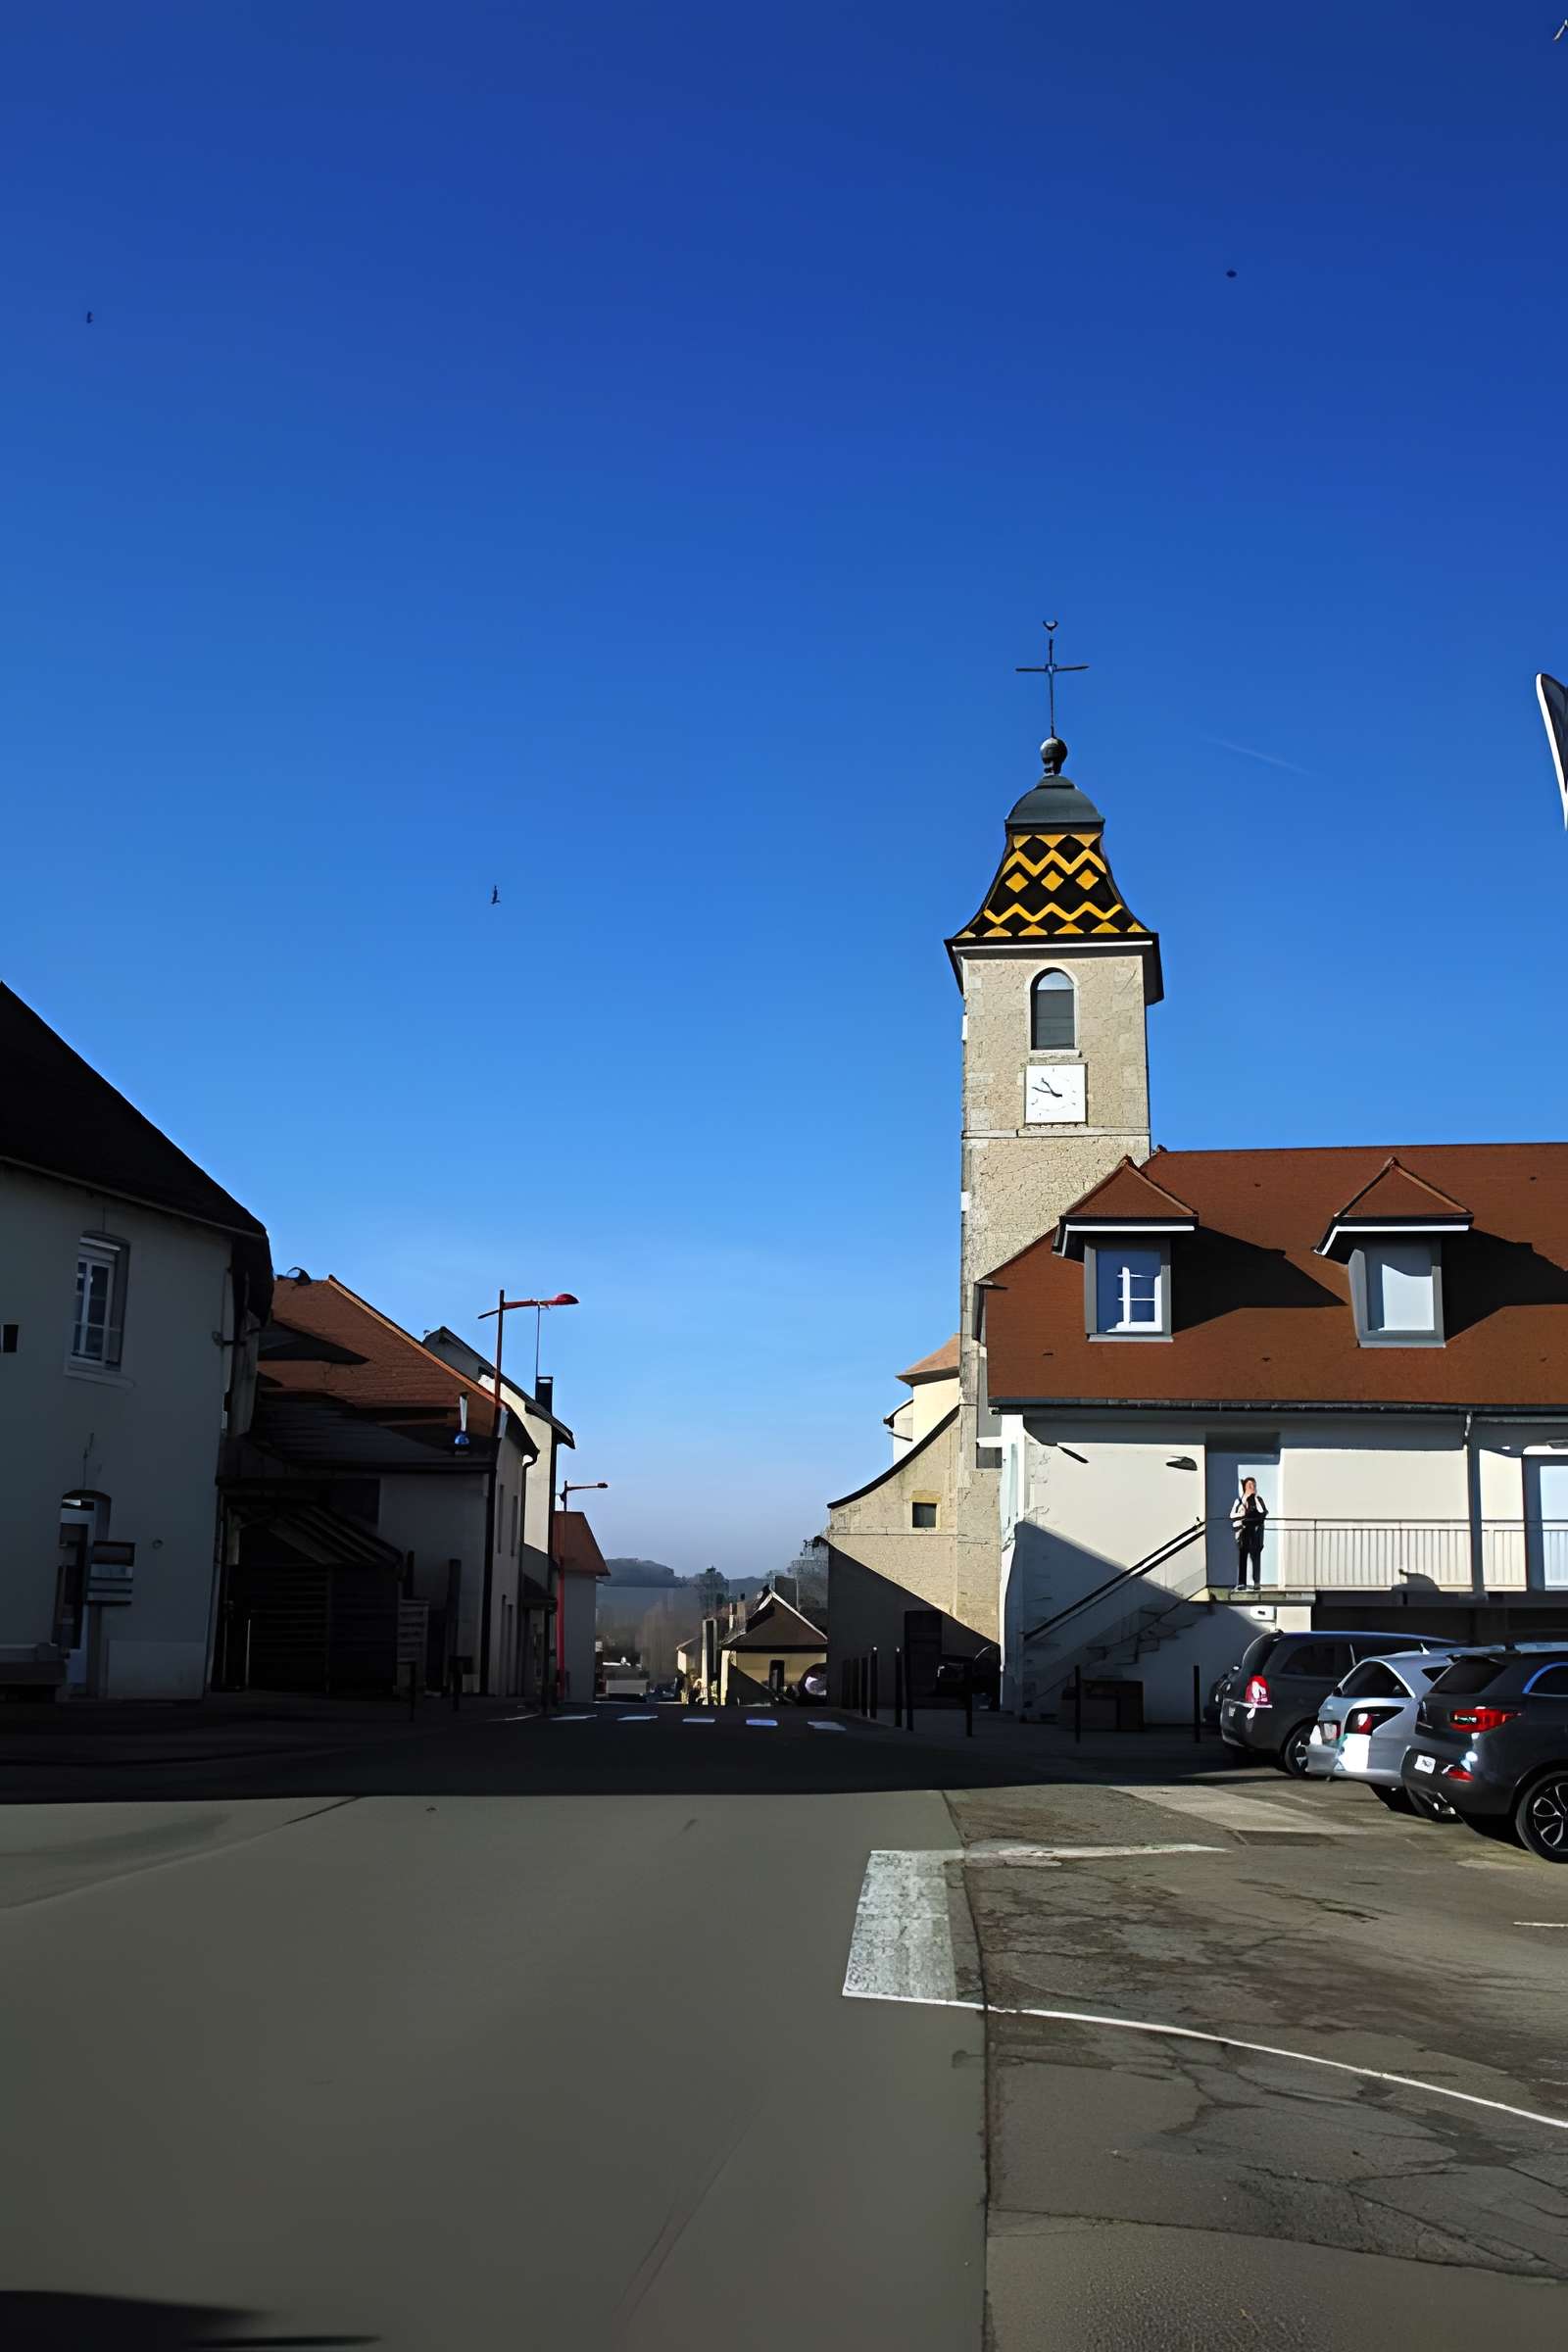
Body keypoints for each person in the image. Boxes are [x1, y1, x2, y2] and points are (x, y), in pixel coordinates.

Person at [1231, 1477, 1268, 1590]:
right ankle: (1242, 1582)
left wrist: (1255, 1498)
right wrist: (1242, 1514)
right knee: (1243, 1555)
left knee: (1256, 1555)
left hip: (1256, 1531)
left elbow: (1263, 1512)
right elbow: (1232, 1515)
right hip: (1244, 1530)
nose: (1252, 1487)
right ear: (1245, 1487)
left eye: (1253, 1485)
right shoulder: (1239, 1501)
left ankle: (1256, 1582)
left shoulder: (1258, 1499)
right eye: (1249, 1485)